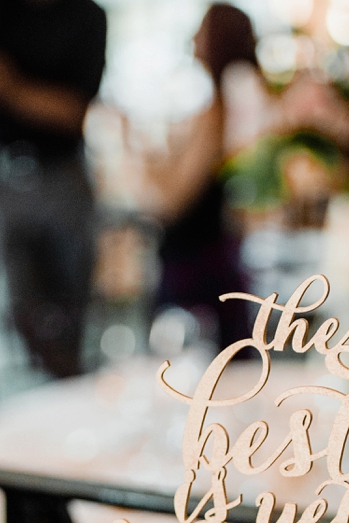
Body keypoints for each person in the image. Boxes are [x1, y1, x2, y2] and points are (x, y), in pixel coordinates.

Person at [0, 0, 107, 378]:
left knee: (67, 313)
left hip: (61, 177)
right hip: (4, 176)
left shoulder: (86, 16)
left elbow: (72, 111)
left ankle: (66, 396)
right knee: (21, 311)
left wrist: (9, 87)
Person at [142, 4, 265, 350]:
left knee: (197, 377)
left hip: (196, 262)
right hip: (217, 256)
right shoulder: (235, 107)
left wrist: (137, 152)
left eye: (201, 30)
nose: (194, 38)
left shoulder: (217, 112)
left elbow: (172, 200)